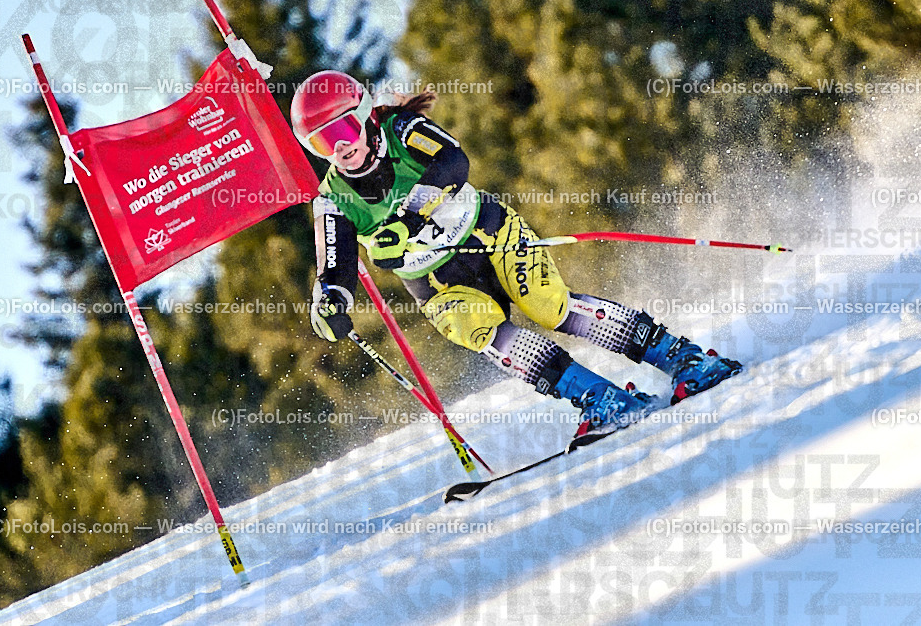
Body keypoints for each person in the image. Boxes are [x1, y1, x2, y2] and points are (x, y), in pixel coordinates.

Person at [291, 71, 741, 433]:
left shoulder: (402, 130)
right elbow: (335, 264)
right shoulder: (332, 199)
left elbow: (452, 161)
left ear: (366, 115)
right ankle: (597, 397)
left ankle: (683, 357)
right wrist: (330, 302)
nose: (342, 148)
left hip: (488, 235)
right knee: (481, 331)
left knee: (549, 306)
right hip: (435, 282)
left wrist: (409, 218)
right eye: (324, 142)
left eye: (344, 128)